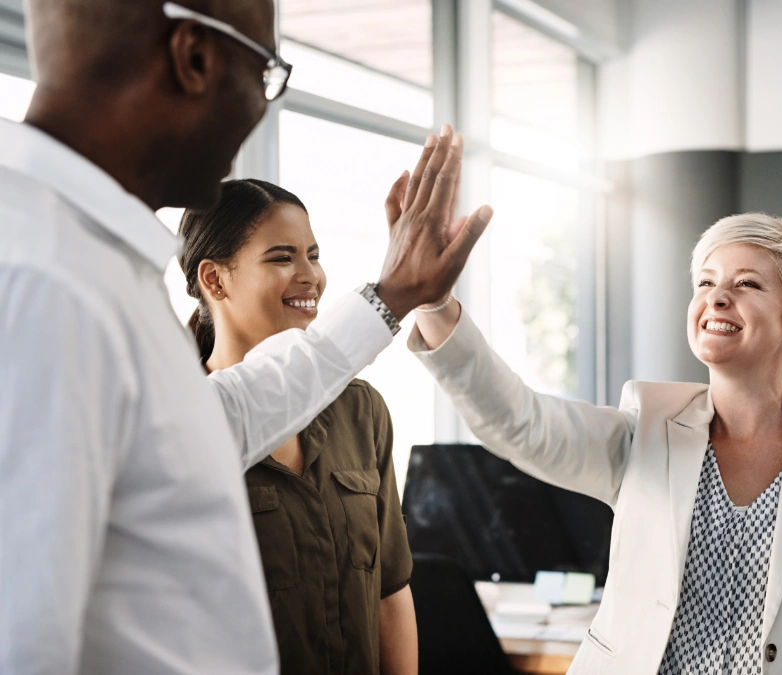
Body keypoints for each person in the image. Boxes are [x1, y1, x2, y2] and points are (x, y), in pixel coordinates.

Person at [0, 0, 491, 671]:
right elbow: (21, 643)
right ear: (194, 57)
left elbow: (219, 417)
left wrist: (393, 295)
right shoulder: (41, 278)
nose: (262, 107)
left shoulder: (88, 259)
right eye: (265, 72)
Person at [409, 213, 782, 674]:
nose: (716, 297)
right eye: (706, 282)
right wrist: (434, 304)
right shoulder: (646, 425)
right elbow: (521, 422)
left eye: (747, 284)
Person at [178, 179, 417, 675]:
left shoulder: (359, 410)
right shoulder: (178, 426)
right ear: (215, 279)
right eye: (282, 257)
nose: (311, 276)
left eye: (314, 255)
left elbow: (390, 593)